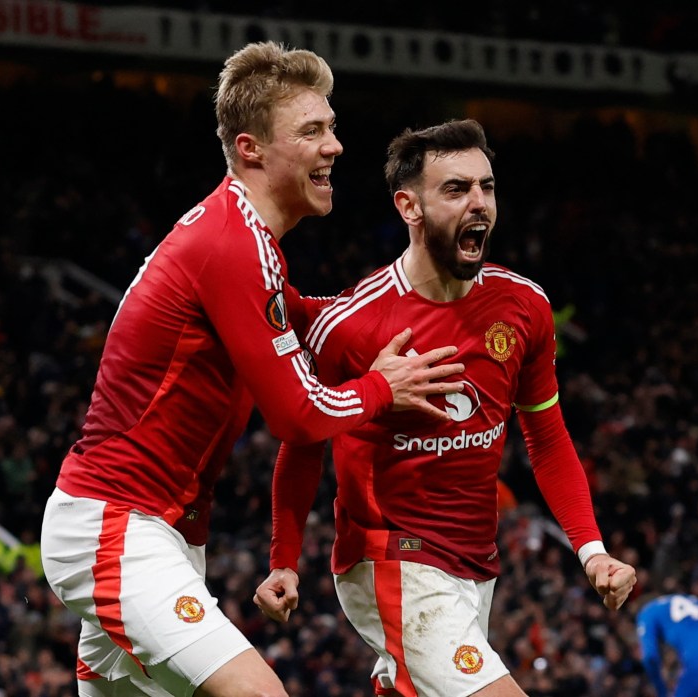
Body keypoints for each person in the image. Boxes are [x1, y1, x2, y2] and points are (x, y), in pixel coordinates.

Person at [40, 42, 466, 697]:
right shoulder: (233, 246)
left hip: (162, 532)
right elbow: (298, 414)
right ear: (251, 148)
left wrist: (423, 298)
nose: (336, 146)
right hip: (118, 524)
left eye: (332, 127)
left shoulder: (244, 241)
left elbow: (314, 316)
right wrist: (384, 388)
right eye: (312, 130)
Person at [254, 119, 637, 696]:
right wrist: (284, 557)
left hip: (476, 563)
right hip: (389, 556)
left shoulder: (524, 307)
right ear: (409, 207)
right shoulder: (353, 325)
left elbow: (548, 438)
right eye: (456, 189)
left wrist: (592, 550)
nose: (478, 203)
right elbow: (303, 444)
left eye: (486, 187)